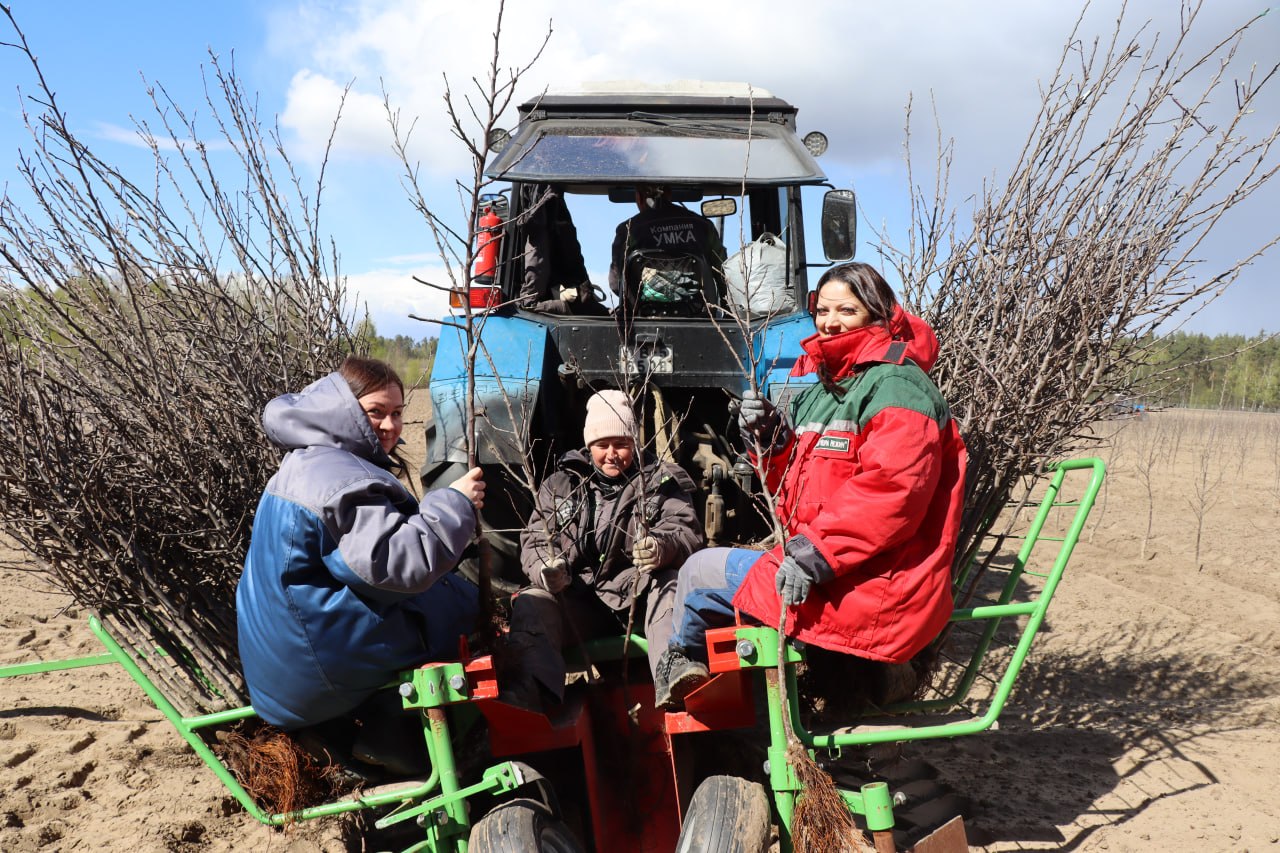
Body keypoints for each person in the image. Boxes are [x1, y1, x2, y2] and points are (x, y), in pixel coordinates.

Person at [652, 262, 968, 710]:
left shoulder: (899, 387)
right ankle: (720, 701)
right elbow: (794, 490)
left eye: (847, 310)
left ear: (878, 314)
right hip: (836, 571)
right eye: (822, 311)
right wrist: (770, 440)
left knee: (698, 573)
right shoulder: (823, 390)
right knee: (701, 581)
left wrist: (812, 555)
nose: (830, 322)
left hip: (874, 586)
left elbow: (891, 495)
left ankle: (706, 708)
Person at [236, 355, 485, 775]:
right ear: (345, 411)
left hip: (283, 672)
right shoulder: (341, 478)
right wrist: (455, 504)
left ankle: (381, 738)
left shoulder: (309, 461)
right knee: (460, 612)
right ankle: (404, 742)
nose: (390, 426)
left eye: (398, 413)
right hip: (320, 670)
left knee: (451, 599)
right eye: (375, 412)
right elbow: (402, 566)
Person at [502, 389, 704, 710]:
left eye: (621, 444)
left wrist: (660, 547)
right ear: (589, 445)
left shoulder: (663, 481)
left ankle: (672, 672)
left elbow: (686, 531)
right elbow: (536, 540)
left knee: (670, 583)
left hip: (641, 600)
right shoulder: (560, 485)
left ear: (634, 443)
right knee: (532, 601)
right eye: (602, 445)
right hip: (582, 602)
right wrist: (546, 569)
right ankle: (532, 694)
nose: (611, 454)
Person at [607, 184, 727, 310]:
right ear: (669, 194)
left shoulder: (628, 230)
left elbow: (616, 283)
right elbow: (723, 273)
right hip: (698, 312)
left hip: (643, 314)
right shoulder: (703, 225)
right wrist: (728, 311)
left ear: (639, 197)